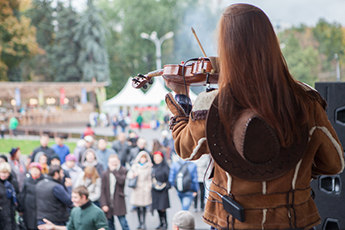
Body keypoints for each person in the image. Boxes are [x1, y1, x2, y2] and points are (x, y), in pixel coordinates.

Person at [163, 3, 344, 230]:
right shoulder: (307, 100)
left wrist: (181, 99)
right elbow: (333, 163)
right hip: (293, 221)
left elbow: (185, 148)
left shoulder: (211, 104)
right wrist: (297, 168)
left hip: (231, 222)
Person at [37, 185, 109, 230]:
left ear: (83, 197)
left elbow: (103, 228)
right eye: (72, 197)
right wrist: (54, 227)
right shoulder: (74, 211)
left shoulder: (97, 212)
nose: (72, 200)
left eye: (75, 197)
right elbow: (69, 228)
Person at [100, 154, 130, 230]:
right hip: (108, 201)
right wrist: (103, 204)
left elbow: (121, 181)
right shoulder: (105, 173)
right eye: (112, 162)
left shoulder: (123, 170)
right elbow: (102, 189)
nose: (114, 164)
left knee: (123, 223)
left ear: (118, 161)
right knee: (110, 223)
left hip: (119, 200)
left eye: (115, 162)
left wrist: (114, 171)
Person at [127, 151, 152, 230]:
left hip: (145, 189)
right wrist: (134, 174)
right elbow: (129, 175)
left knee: (144, 207)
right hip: (137, 188)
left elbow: (150, 178)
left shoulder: (149, 167)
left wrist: (149, 187)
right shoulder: (135, 166)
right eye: (142, 158)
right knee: (137, 207)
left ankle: (143, 222)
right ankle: (139, 223)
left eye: (144, 158)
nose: (143, 159)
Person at [19, 162, 44, 230]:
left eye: (36, 170)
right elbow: (22, 194)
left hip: (39, 208)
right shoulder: (27, 180)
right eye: (32, 170)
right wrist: (20, 208)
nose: (34, 172)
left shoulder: (43, 180)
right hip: (28, 207)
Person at [151, 151, 171, 230]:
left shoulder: (165, 167)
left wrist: (166, 186)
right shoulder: (153, 167)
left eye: (158, 157)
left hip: (163, 191)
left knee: (163, 208)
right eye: (155, 157)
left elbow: (169, 178)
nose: (156, 159)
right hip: (155, 190)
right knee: (158, 208)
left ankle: (165, 223)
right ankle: (160, 223)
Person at [0, 162, 18, 230]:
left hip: (10, 213)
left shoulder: (10, 184)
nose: (3, 175)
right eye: (2, 172)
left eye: (5, 173)